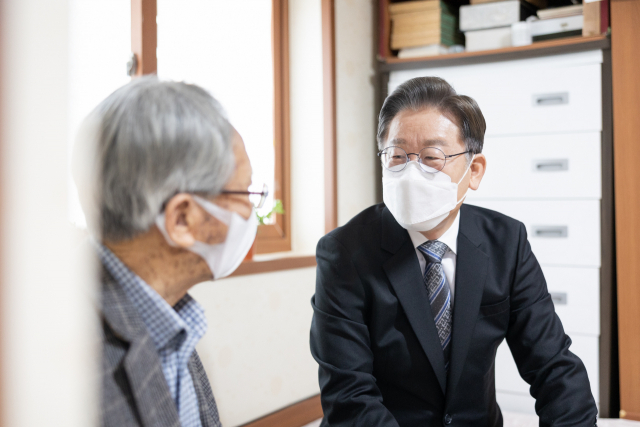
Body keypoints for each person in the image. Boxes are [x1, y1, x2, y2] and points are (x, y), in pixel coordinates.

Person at [309, 77, 598, 426]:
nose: (411, 172)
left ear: (473, 170)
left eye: (432, 157)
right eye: (397, 156)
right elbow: (349, 396)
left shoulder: (507, 242)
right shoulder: (343, 253)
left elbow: (554, 368)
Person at [73, 77, 264, 427]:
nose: (252, 215)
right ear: (181, 219)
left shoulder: (172, 317)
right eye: (245, 194)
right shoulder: (65, 356)